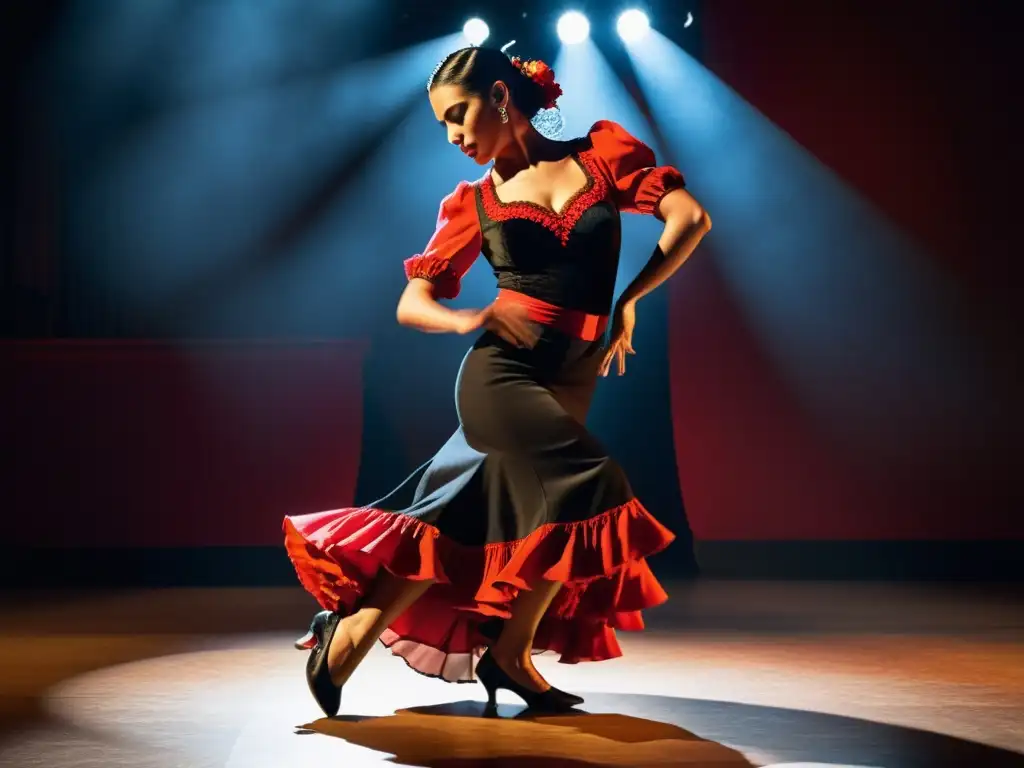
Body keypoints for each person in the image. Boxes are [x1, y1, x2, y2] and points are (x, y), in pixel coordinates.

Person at [283, 44, 711, 717]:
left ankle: (365, 636)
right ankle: (508, 650)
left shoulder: (603, 156)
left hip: (572, 375)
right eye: (443, 126)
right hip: (500, 374)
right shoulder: (474, 202)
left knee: (459, 514)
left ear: (502, 98)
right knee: (589, 487)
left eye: (458, 116)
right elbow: (412, 301)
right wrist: (466, 319)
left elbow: (690, 219)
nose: (453, 136)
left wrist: (630, 299)